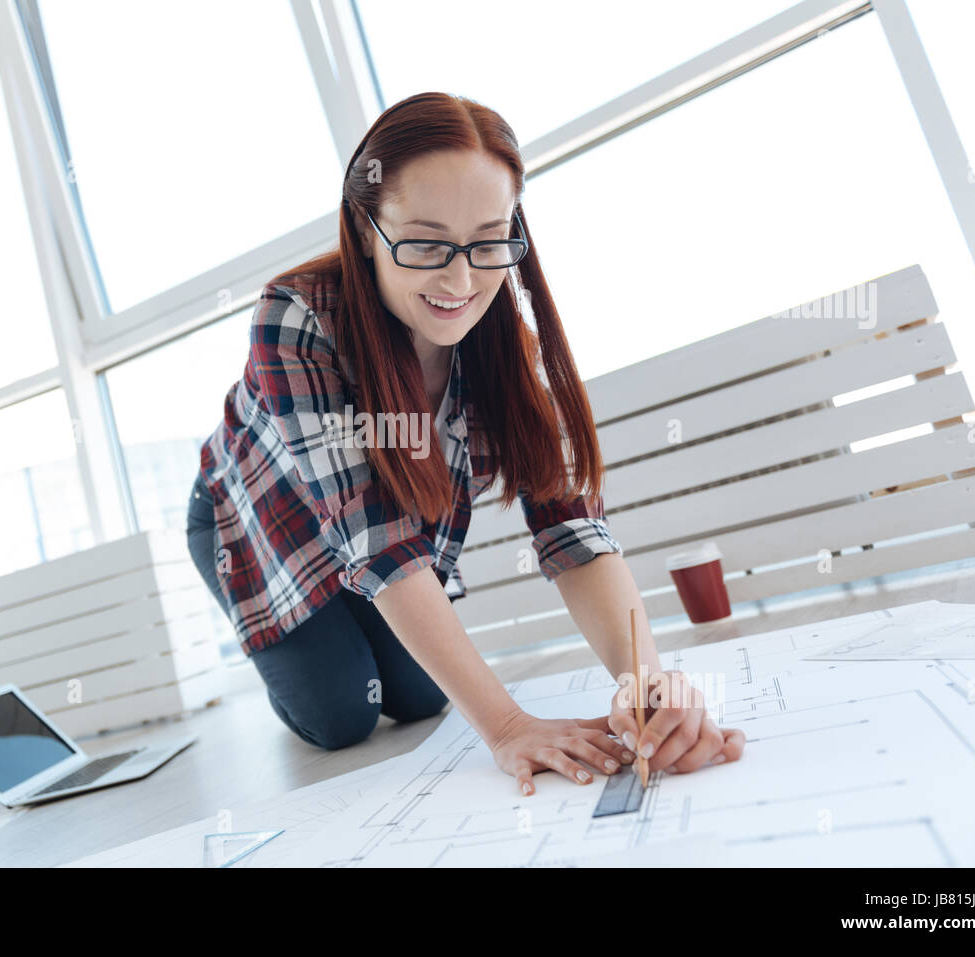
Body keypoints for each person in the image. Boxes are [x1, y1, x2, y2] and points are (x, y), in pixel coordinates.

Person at [187, 91, 744, 795]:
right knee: (342, 714)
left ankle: (366, 628)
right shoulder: (294, 317)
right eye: (425, 243)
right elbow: (378, 543)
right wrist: (507, 726)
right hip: (261, 524)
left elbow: (573, 529)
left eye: (487, 242)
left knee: (422, 697)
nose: (460, 280)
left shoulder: (509, 349)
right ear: (363, 227)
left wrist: (647, 683)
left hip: (373, 535)